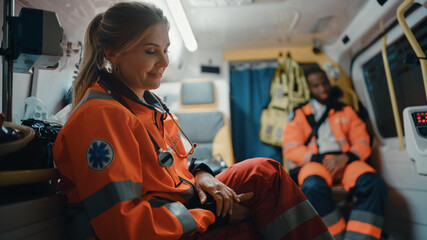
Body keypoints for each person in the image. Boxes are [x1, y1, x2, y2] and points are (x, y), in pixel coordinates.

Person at [52, 2, 333, 240]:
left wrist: (203, 176)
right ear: (113, 53)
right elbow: (122, 227)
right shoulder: (102, 116)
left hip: (182, 208)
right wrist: (210, 212)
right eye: (151, 51)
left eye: (166, 49)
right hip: (164, 227)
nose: (164, 61)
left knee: (262, 175)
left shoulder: (151, 106)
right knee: (254, 216)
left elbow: (179, 165)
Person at [282, 68, 388, 240]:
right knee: (311, 188)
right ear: (309, 88)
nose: (322, 89)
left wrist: (346, 158)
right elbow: (291, 148)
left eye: (324, 83)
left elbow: (362, 141)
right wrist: (318, 159)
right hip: (316, 163)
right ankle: (333, 237)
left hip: (346, 160)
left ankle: (358, 238)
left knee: (374, 184)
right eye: (316, 85)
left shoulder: (346, 110)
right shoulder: (299, 114)